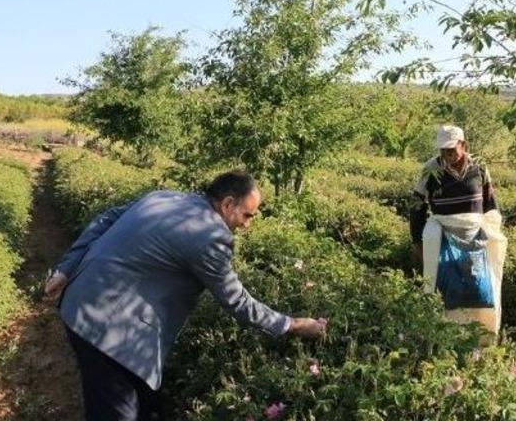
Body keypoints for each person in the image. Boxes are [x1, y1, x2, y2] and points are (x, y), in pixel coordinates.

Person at [44, 170, 326, 421]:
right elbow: (237, 301)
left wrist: (66, 269)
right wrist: (295, 324)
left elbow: (106, 218)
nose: (247, 225)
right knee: (117, 411)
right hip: (106, 328)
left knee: (144, 399)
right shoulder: (210, 237)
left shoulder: (167, 197)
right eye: (247, 215)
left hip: (82, 299)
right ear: (228, 204)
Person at [409, 126, 506, 338]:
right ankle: (445, 335)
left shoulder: (478, 166)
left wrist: (494, 230)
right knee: (445, 287)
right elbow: (417, 205)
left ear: (464, 145)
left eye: (451, 150)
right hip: (445, 238)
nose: (447, 155)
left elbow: (490, 202)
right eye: (443, 150)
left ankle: (480, 334)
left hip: (475, 239)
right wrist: (417, 242)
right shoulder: (431, 169)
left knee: (479, 288)